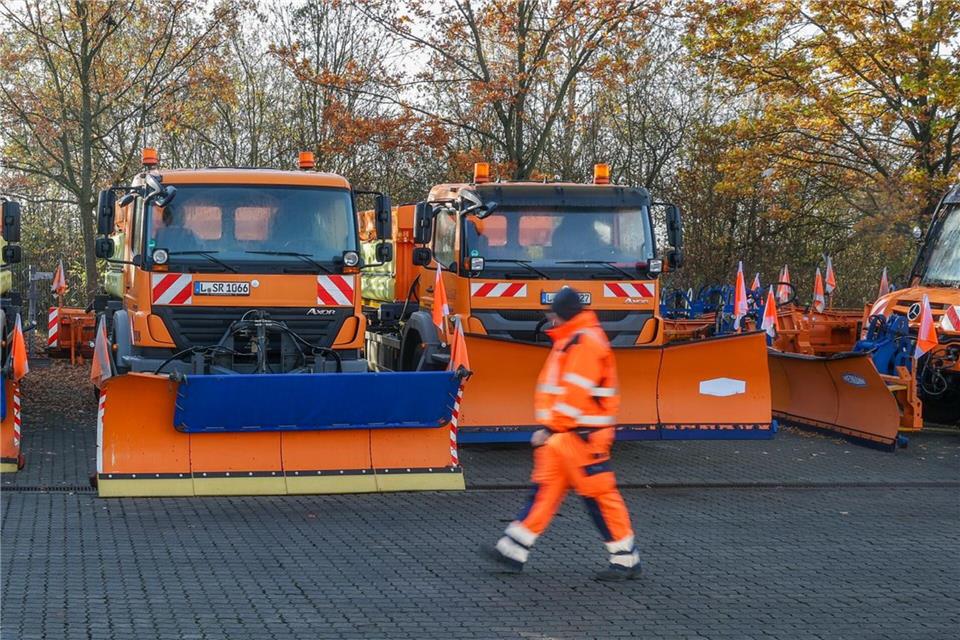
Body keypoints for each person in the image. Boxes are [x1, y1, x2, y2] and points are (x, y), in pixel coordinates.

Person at [480, 286, 641, 581]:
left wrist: (550, 427)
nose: (550, 319)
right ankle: (513, 549)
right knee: (544, 492)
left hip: (581, 436)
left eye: (553, 314)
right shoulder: (574, 339)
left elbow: (573, 394)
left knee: (598, 498)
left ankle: (626, 558)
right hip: (570, 436)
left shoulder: (583, 342)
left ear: (565, 314)